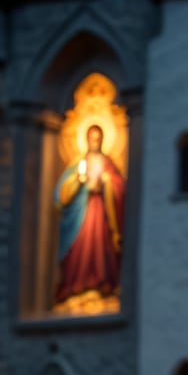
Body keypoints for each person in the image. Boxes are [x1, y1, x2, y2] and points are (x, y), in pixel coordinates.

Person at [53, 123, 126, 306]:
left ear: (102, 139)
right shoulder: (78, 163)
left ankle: (103, 284)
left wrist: (106, 183)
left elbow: (121, 187)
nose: (94, 141)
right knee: (81, 249)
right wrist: (80, 180)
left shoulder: (108, 163)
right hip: (81, 214)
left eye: (97, 138)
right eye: (91, 138)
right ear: (86, 139)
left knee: (100, 246)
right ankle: (75, 286)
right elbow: (61, 195)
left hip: (100, 211)